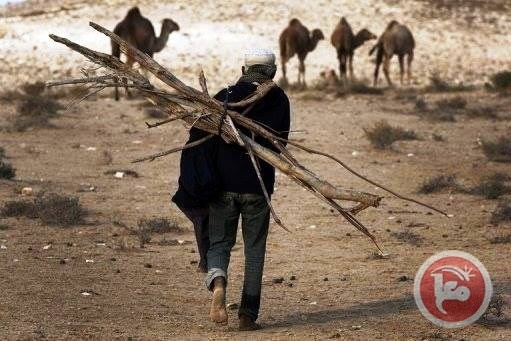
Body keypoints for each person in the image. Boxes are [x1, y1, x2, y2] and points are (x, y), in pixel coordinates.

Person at [205, 48, 291, 331]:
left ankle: (218, 284)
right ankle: (247, 316)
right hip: (257, 186)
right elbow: (281, 144)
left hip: (223, 186)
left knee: (219, 243)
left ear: (244, 70)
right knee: (254, 250)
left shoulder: (224, 97)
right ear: (272, 72)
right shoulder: (279, 100)